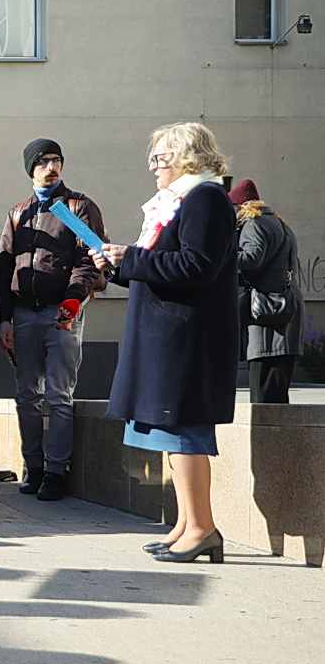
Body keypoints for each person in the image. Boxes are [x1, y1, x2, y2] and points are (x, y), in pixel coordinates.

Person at [93, 122, 237, 564]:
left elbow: (197, 266)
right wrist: (117, 265)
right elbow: (159, 264)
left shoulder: (206, 199)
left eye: (161, 158)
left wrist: (130, 258)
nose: (153, 167)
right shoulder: (179, 201)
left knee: (185, 432)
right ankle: (185, 524)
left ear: (187, 158)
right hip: (168, 335)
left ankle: (202, 529)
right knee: (170, 436)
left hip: (188, 338)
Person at [0, 139, 108, 501]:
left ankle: (56, 471)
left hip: (63, 312)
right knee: (27, 396)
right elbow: (3, 268)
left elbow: (92, 256)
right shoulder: (18, 212)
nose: (50, 166)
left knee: (58, 394)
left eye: (56, 160)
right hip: (23, 313)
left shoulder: (76, 206)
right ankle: (34, 467)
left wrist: (74, 299)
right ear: (31, 168)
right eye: (43, 161)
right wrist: (4, 319)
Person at [231, 179, 303, 403]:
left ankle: (267, 437)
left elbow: (252, 258)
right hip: (285, 302)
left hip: (267, 308)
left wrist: (218, 255)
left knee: (263, 391)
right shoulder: (280, 224)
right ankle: (280, 437)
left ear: (241, 207)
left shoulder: (254, 223)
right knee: (277, 387)